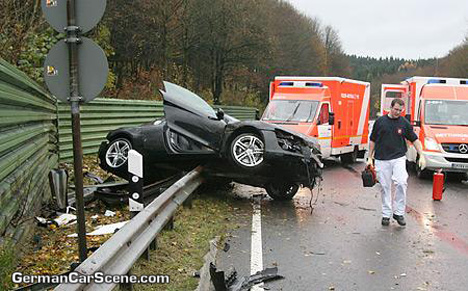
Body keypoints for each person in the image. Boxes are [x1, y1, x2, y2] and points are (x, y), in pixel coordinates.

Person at [367, 99, 425, 226]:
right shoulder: (380, 122)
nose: (398, 112)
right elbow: (372, 140)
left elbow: (415, 139)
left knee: (401, 182)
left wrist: (421, 154)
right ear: (390, 107)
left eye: (400, 110)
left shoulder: (404, 123)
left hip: (398, 157)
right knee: (385, 186)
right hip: (382, 158)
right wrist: (370, 157)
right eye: (396, 109)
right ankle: (386, 214)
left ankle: (398, 212)